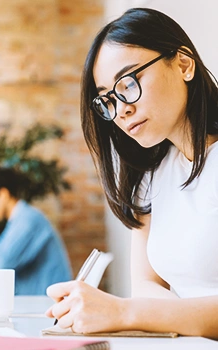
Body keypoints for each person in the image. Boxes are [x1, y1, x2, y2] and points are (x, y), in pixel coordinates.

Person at [45, 7, 218, 338]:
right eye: (107, 99)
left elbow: (141, 303)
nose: (122, 109)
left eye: (129, 83)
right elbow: (146, 285)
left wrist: (122, 311)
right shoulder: (152, 174)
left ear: (184, 63)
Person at [0, 167, 72, 295]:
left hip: (45, 300)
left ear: (3, 194)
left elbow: (1, 266)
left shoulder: (28, 220)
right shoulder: (16, 222)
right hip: (33, 298)